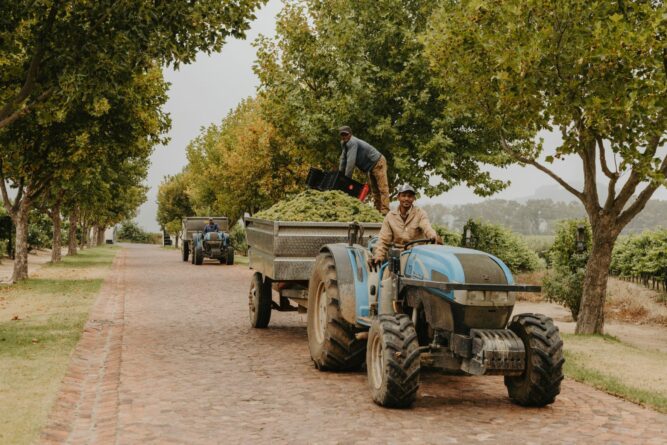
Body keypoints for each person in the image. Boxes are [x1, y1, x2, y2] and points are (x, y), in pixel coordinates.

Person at [370, 184, 441, 268]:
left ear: (414, 198)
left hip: (416, 256)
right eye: (403, 196)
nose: (406, 199)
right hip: (397, 257)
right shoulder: (390, 216)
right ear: (398, 197)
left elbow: (426, 226)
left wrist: (432, 235)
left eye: (410, 196)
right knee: (386, 279)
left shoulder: (420, 213)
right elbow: (383, 239)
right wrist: (379, 255)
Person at [338, 125, 390, 215]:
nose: (344, 136)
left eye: (346, 134)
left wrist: (346, 180)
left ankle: (385, 212)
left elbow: (350, 162)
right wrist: (339, 175)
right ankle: (377, 211)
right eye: (342, 135)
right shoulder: (344, 143)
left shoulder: (352, 142)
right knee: (374, 190)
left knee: (382, 188)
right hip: (370, 166)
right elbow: (343, 159)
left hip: (378, 162)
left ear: (350, 134)